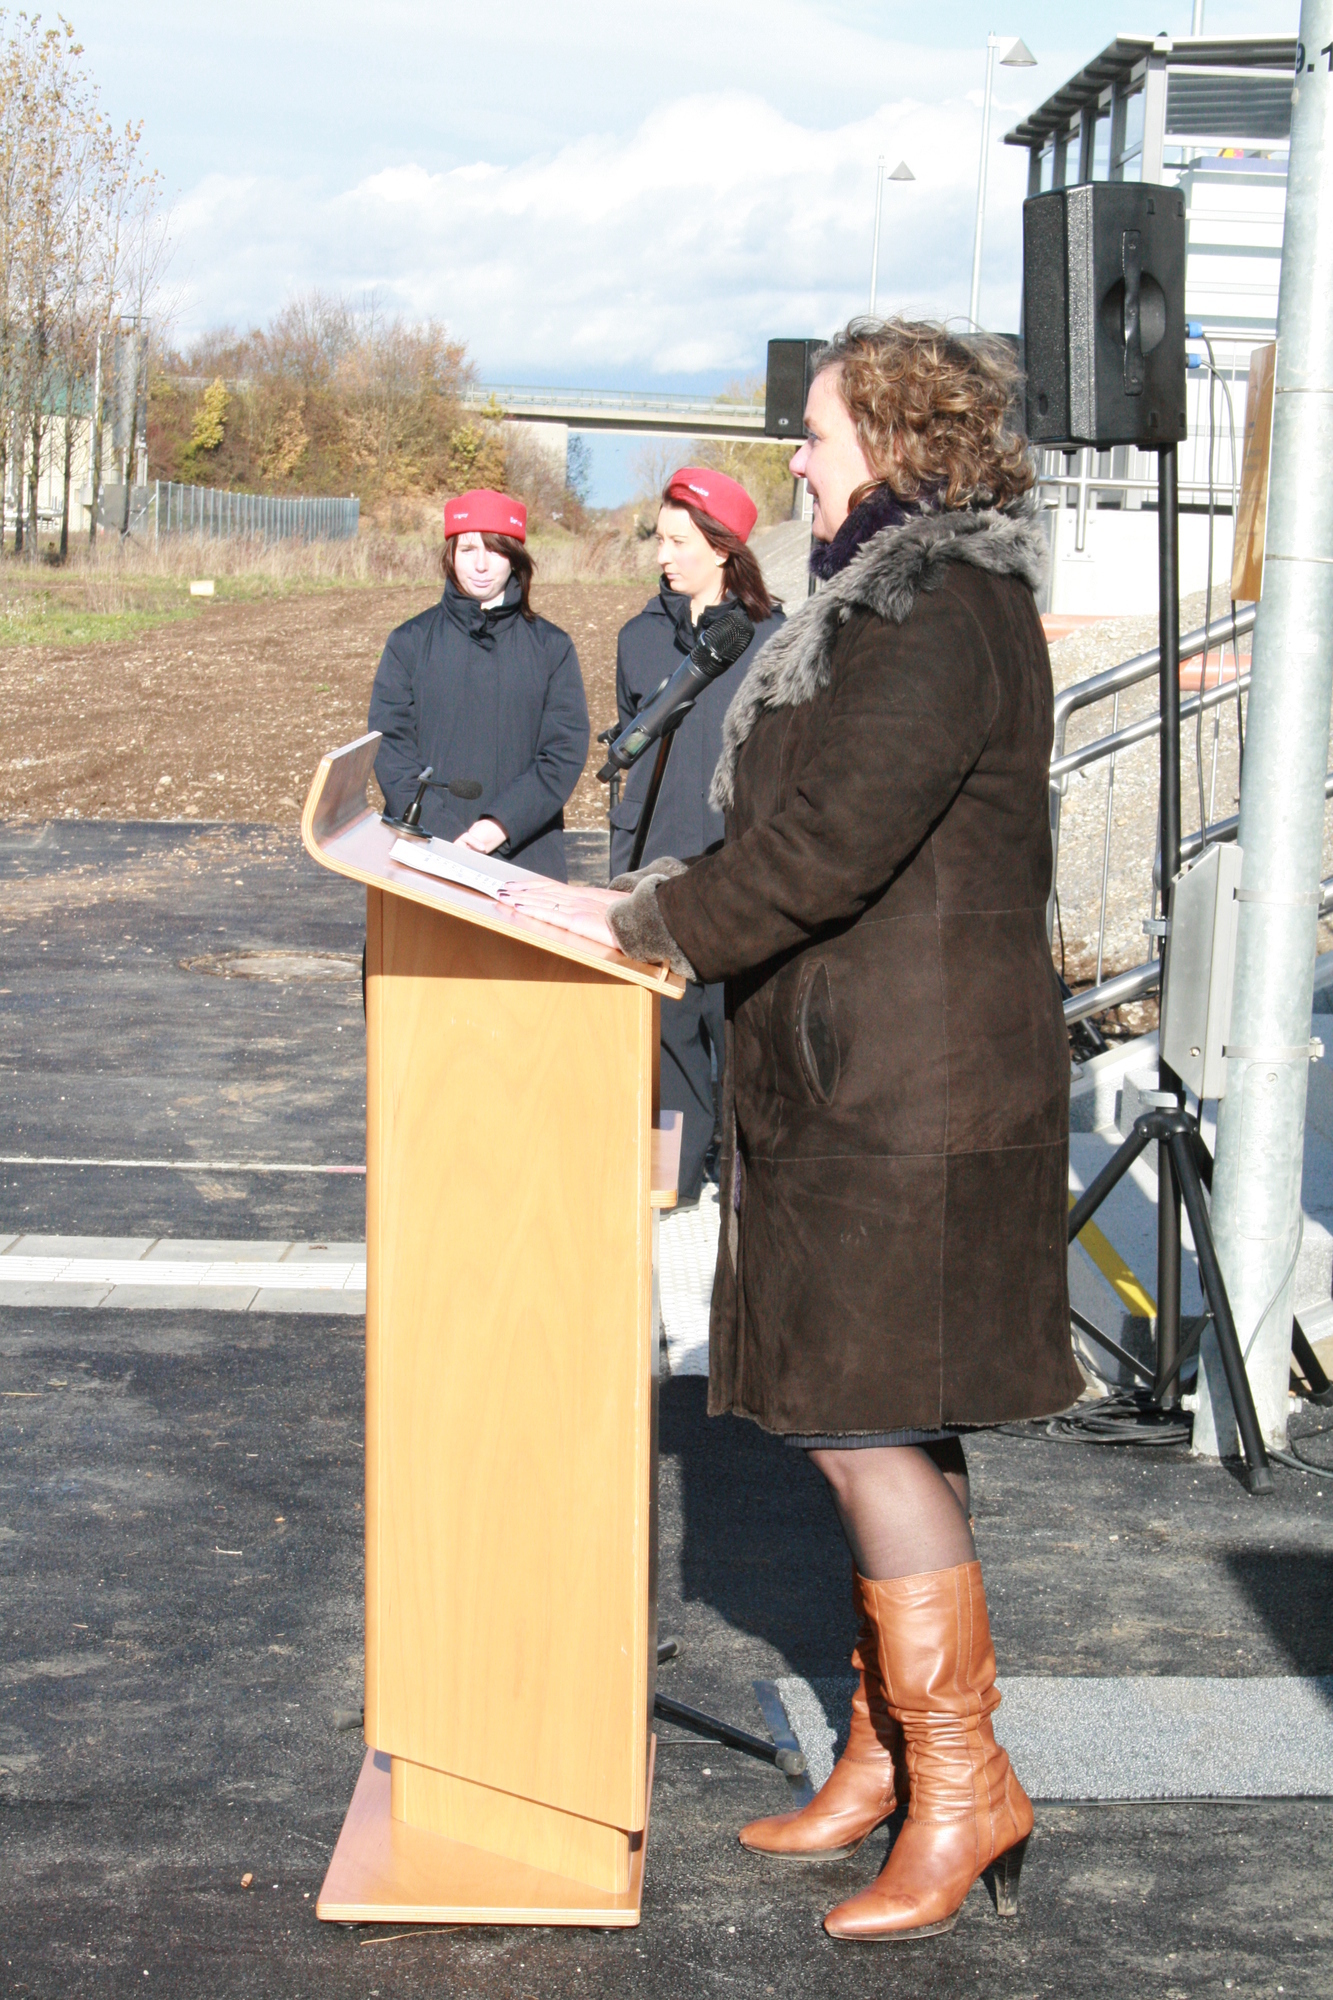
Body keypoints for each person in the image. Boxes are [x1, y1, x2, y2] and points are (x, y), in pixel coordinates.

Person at [498, 320, 1083, 1943]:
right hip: (860, 1081)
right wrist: (655, 906)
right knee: (871, 1418)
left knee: (862, 1426)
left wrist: (644, 920)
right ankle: (896, 1757)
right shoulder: (887, 600)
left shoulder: (937, 608)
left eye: (817, 434)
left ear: (895, 442)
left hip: (910, 1096)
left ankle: (962, 1787)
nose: (796, 462)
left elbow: (823, 848)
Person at [610, 468, 783, 1201]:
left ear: (722, 547)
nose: (661, 553)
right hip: (658, 874)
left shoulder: (778, 642)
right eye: (658, 536)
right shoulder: (638, 640)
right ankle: (665, 1189)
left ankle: (749, 1187)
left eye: (677, 539)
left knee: (743, 1042)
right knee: (667, 1047)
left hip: (743, 874)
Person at [368, 488, 589, 881]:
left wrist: (497, 828)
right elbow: (391, 748)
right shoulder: (408, 643)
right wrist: (445, 834)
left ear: (515, 557)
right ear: (450, 554)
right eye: (468, 549)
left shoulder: (552, 648)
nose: (481, 565)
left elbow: (562, 753)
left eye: (496, 549)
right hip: (424, 852)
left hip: (523, 856)